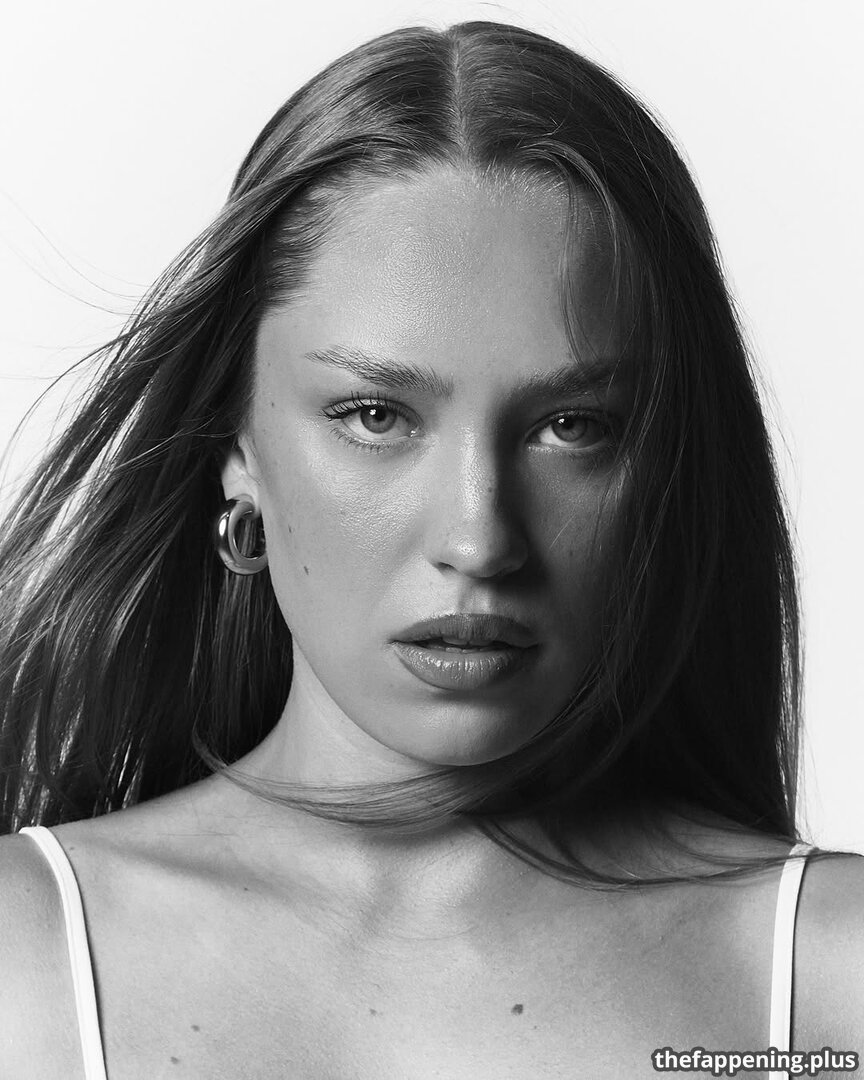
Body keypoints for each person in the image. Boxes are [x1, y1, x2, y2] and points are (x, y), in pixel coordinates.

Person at [0, 19, 861, 1079]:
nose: (478, 538)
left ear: (667, 468)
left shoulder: (833, 981)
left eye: (574, 426)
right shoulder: (24, 957)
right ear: (237, 448)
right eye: (375, 416)